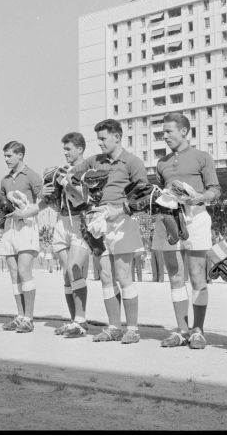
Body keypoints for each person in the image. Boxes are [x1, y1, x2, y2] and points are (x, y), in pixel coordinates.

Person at [71, 119, 151, 345]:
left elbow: (144, 195)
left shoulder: (133, 162)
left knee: (123, 275)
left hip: (122, 220)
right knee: (106, 276)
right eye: (98, 139)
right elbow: (71, 175)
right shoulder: (95, 161)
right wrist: (83, 194)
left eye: (103, 138)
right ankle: (114, 327)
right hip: (98, 220)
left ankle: (133, 329)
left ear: (117, 137)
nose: (100, 143)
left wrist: (122, 208)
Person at [152, 112, 221, 350]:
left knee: (196, 274)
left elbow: (215, 190)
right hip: (170, 219)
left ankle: (198, 331)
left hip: (196, 217)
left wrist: (200, 197)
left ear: (183, 131)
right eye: (163, 132)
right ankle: (181, 330)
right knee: (175, 275)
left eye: (168, 131)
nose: (164, 136)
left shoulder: (202, 157)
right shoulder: (161, 163)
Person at [44, 132, 92, 338]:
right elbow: (56, 203)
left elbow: (87, 198)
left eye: (68, 149)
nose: (65, 153)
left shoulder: (88, 170)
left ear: (80, 149)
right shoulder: (61, 170)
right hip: (62, 222)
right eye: (64, 149)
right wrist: (48, 192)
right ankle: (75, 320)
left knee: (74, 269)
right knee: (66, 273)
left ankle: (81, 320)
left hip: (80, 222)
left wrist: (68, 183)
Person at [0, 141, 43, 334]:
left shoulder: (32, 176)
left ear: (20, 155)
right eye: (5, 156)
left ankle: (29, 318)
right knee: (14, 272)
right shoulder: (5, 179)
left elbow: (43, 202)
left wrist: (24, 214)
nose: (6, 159)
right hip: (9, 228)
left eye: (9, 156)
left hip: (27, 226)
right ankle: (20, 315)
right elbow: (1, 205)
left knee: (25, 270)